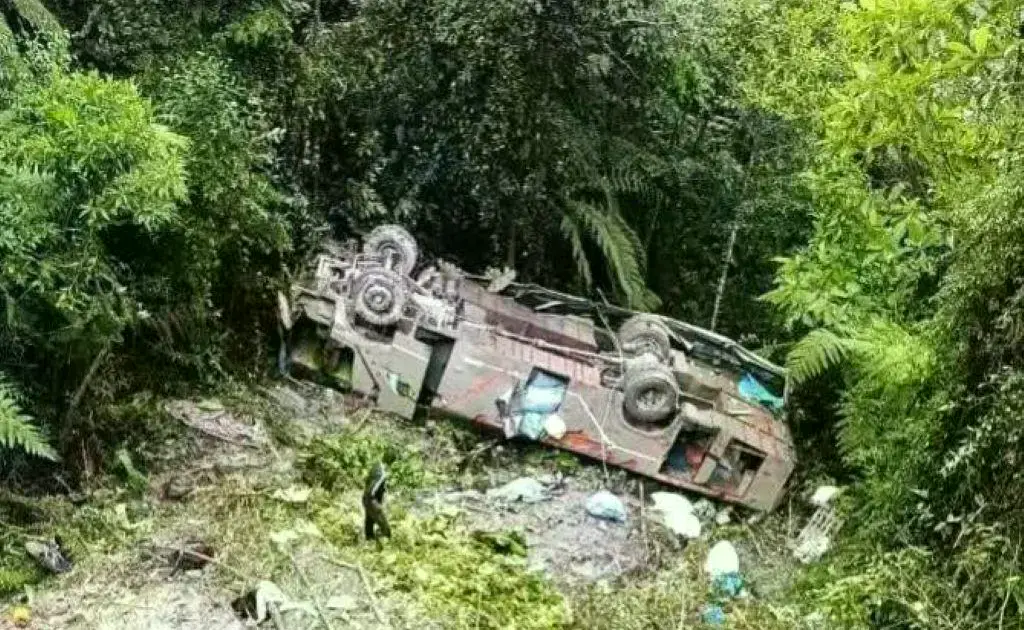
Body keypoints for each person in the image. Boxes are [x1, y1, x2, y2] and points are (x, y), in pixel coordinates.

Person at [362, 461, 391, 540]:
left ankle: (369, 543)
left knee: (369, 523)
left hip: (366, 499)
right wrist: (372, 498)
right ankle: (384, 545)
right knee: (386, 529)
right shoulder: (382, 474)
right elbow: (373, 489)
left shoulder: (375, 467)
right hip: (371, 500)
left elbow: (368, 482)